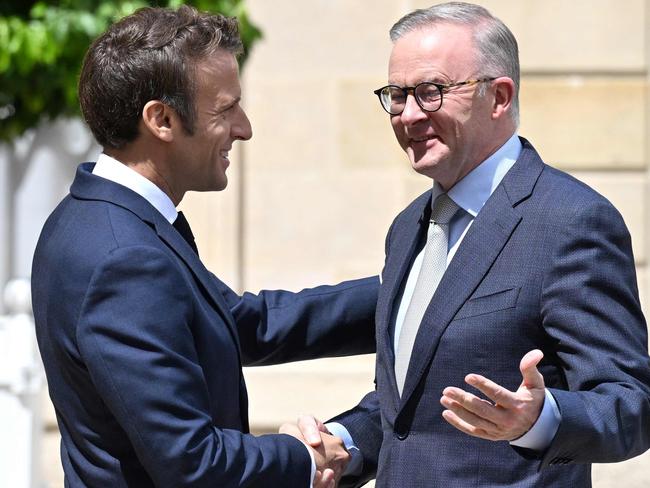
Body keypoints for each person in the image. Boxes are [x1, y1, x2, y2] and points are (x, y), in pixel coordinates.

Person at [288, 2, 650, 486]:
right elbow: (406, 409)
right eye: (397, 95)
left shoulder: (570, 222)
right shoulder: (407, 227)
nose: (409, 115)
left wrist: (540, 420)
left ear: (498, 97)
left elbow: (632, 404)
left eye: (431, 92)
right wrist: (341, 444)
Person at [31, 6, 378, 487]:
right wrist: (303, 458)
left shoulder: (95, 217)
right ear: (162, 119)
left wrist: (402, 289)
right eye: (226, 108)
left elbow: (235, 323)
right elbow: (191, 461)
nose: (244, 127)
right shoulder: (123, 256)